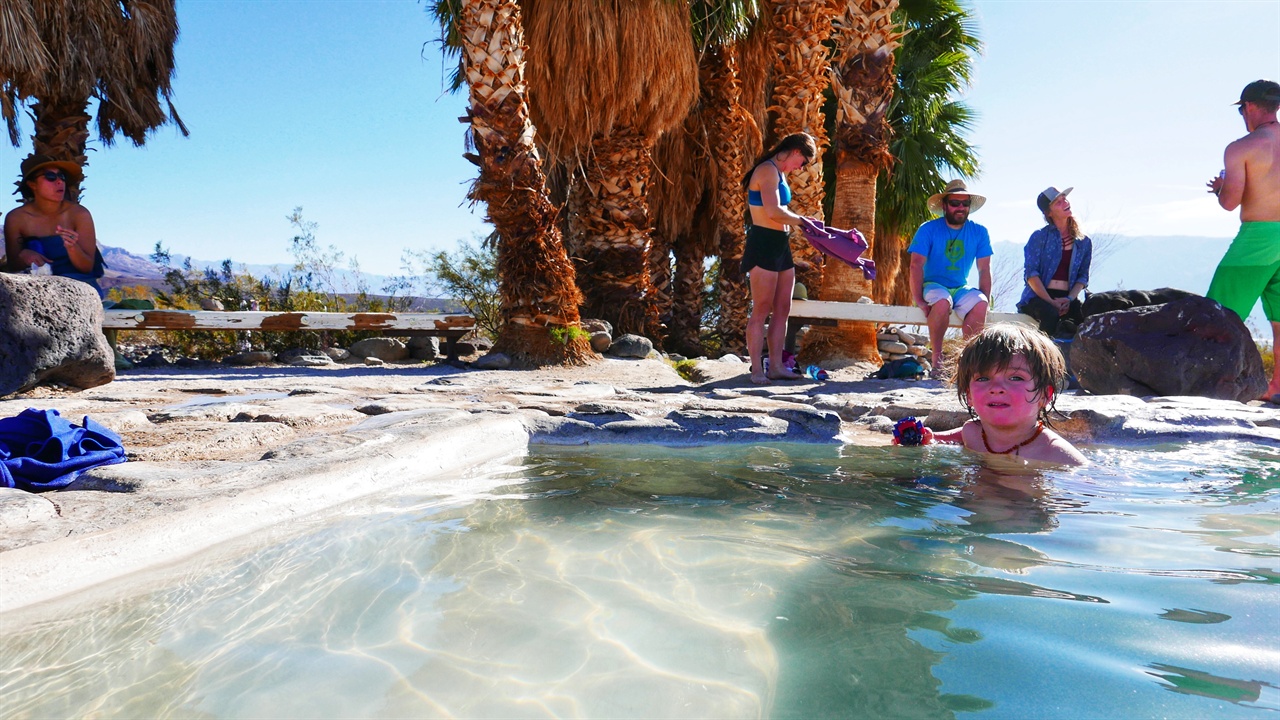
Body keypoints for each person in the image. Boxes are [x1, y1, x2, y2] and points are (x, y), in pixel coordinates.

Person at [898, 324, 1087, 465]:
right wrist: (927, 438)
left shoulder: (1056, 454)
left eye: (1015, 378)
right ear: (969, 395)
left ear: (1045, 395)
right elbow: (941, 438)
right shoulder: (972, 432)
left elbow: (1086, 488)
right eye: (982, 379)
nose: (996, 388)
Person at [1205, 79, 1280, 403]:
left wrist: (1221, 187)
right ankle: (1276, 388)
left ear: (1248, 107)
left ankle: (1211, 390)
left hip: (1258, 238)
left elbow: (1230, 202)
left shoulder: (1241, 148)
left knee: (1216, 316)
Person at [740, 132, 816, 385]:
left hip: (781, 244)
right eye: (803, 161)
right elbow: (773, 212)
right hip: (763, 242)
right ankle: (756, 370)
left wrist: (803, 224)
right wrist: (803, 221)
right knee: (761, 308)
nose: (801, 167)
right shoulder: (767, 171)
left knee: (783, 308)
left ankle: (776, 366)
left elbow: (781, 212)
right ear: (795, 151)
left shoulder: (780, 173)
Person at [908, 179, 993, 377]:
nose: (960, 207)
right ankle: (937, 361)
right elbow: (915, 264)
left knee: (979, 303)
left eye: (965, 203)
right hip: (933, 285)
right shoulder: (928, 229)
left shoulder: (979, 232)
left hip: (960, 287)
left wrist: (986, 299)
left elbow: (984, 269)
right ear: (945, 205)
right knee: (942, 301)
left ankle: (968, 363)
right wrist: (918, 299)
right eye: (955, 203)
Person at [4, 154, 102, 296]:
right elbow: (13, 266)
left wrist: (72, 248)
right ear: (32, 185)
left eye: (61, 176)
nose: (59, 182)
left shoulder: (79, 215)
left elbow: (87, 268)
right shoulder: (16, 218)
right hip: (36, 288)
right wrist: (24, 256)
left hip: (79, 288)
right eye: (50, 176)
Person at [1017, 187, 1092, 338]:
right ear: (1049, 213)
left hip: (1068, 297)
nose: (1064, 202)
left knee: (1085, 319)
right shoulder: (1039, 237)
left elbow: (1083, 277)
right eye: (1057, 202)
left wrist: (1070, 299)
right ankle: (1044, 359)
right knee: (1049, 315)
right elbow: (1031, 275)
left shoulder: (1083, 241)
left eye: (1064, 198)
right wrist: (1051, 301)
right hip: (1039, 297)